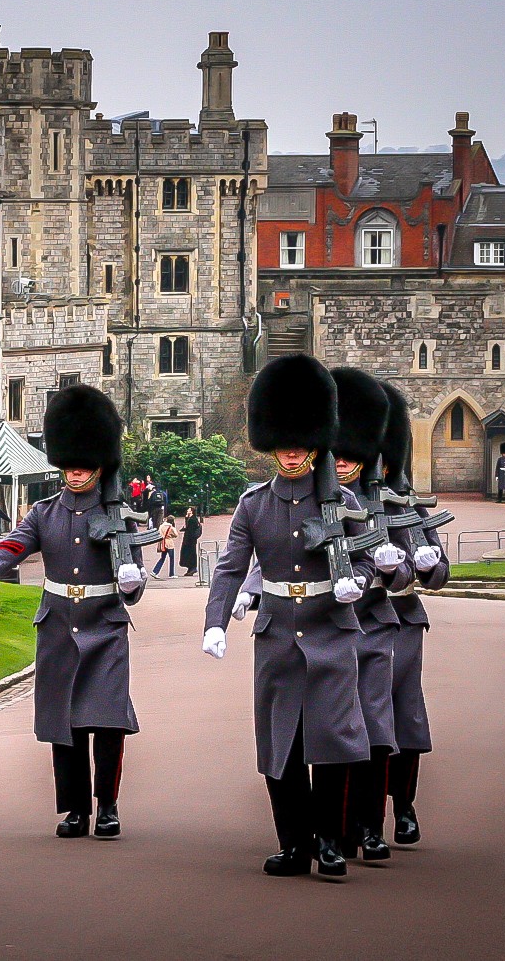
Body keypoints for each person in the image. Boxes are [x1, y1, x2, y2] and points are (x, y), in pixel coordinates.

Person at [203, 354, 376, 879]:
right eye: (284, 442)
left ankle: (328, 841)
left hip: (330, 629)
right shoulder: (254, 505)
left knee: (330, 742)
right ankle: (293, 843)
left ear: (315, 442)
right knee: (282, 746)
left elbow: (367, 556)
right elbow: (231, 567)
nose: (293, 452)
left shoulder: (343, 501)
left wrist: (358, 582)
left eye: (301, 443)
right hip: (277, 634)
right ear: (272, 443)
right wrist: (214, 621)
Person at [0, 385, 147, 840]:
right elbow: (16, 542)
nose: (76, 472)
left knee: (106, 722)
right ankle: (75, 810)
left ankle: (107, 805)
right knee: (65, 723)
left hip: (105, 627)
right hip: (60, 628)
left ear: (100, 464)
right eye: (70, 464)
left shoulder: (119, 515)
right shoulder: (46, 512)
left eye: (84, 465)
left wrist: (132, 582)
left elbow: (133, 577)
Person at [327, 367, 398, 863]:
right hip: (326, 630)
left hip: (371, 626)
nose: (346, 463)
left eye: (354, 455)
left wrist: (396, 571)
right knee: (331, 731)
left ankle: (370, 826)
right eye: (339, 454)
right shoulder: (316, 498)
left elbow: (418, 572)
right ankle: (332, 826)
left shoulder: (386, 502)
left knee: (373, 728)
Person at [377, 381, 450, 847]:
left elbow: (440, 569)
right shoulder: (337, 504)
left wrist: (427, 565)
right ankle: (358, 818)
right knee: (357, 720)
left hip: (402, 623)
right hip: (354, 621)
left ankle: (404, 808)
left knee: (404, 720)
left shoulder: (409, 505)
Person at [180, 506, 203, 577]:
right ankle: (190, 568)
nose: (187, 511)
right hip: (189, 539)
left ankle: (192, 568)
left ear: (192, 511)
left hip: (190, 540)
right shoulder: (190, 519)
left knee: (191, 554)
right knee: (188, 554)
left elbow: (190, 530)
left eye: (189, 510)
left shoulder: (193, 520)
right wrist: (186, 518)